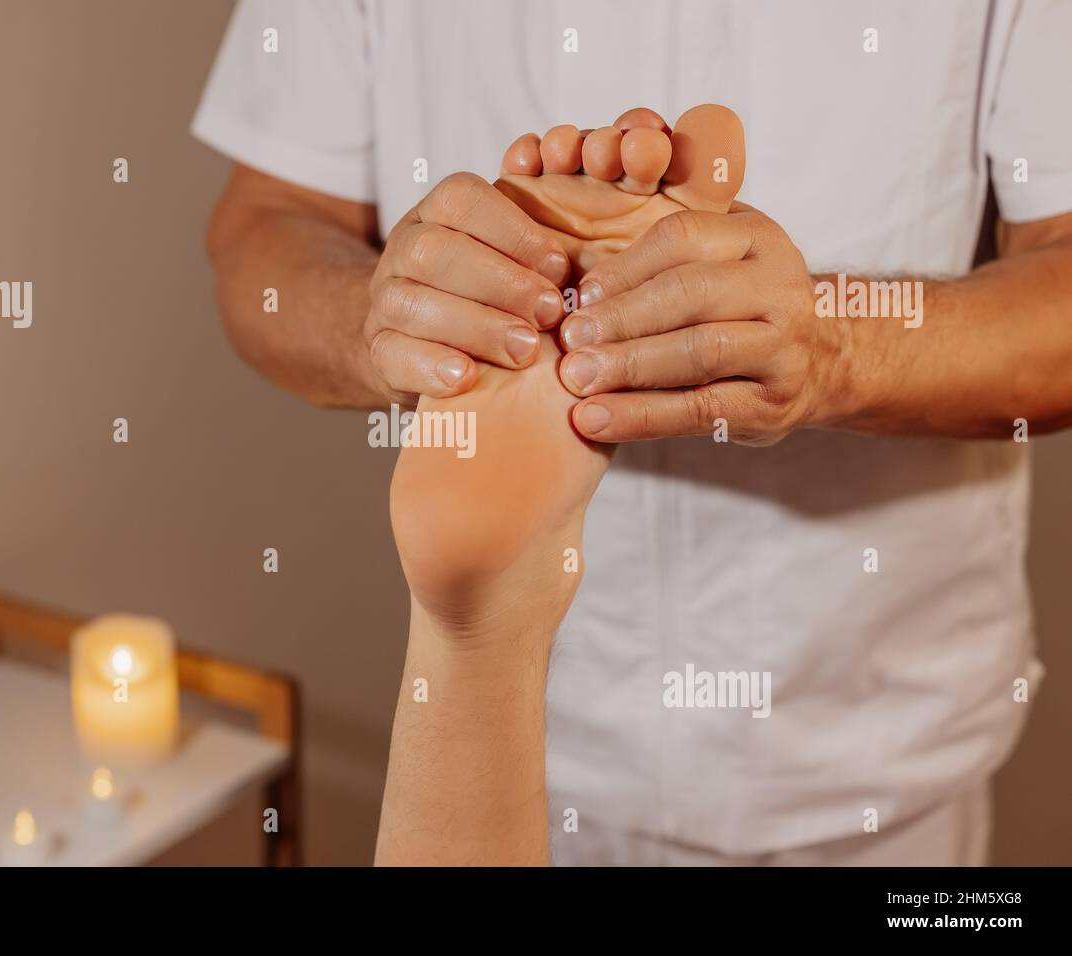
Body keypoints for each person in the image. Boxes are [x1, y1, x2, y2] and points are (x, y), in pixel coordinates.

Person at [195, 0, 1072, 865]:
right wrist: (397, 322)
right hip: (546, 737)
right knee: (475, 724)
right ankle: (489, 616)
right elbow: (266, 221)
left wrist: (835, 343)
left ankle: (484, 619)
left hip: (865, 755)